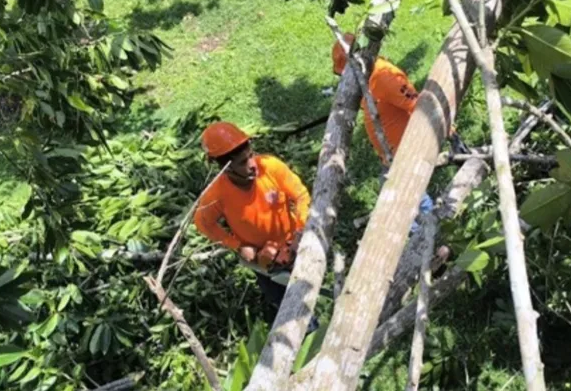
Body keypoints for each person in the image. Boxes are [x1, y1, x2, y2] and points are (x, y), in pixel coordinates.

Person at [332, 33, 470, 232]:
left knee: (406, 199)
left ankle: (428, 234)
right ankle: (425, 232)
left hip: (405, 151)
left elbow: (419, 104)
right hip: (390, 155)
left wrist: (451, 133)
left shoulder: (385, 77)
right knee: (401, 199)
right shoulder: (367, 79)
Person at [193, 121, 316, 329]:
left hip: (293, 241)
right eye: (242, 162)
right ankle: (303, 329)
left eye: (251, 155)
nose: (252, 164)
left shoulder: (270, 167)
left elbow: (301, 196)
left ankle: (311, 319)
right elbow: (203, 223)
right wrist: (237, 245)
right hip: (263, 259)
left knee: (309, 289)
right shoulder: (217, 194)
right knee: (280, 299)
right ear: (225, 167)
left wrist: (300, 232)